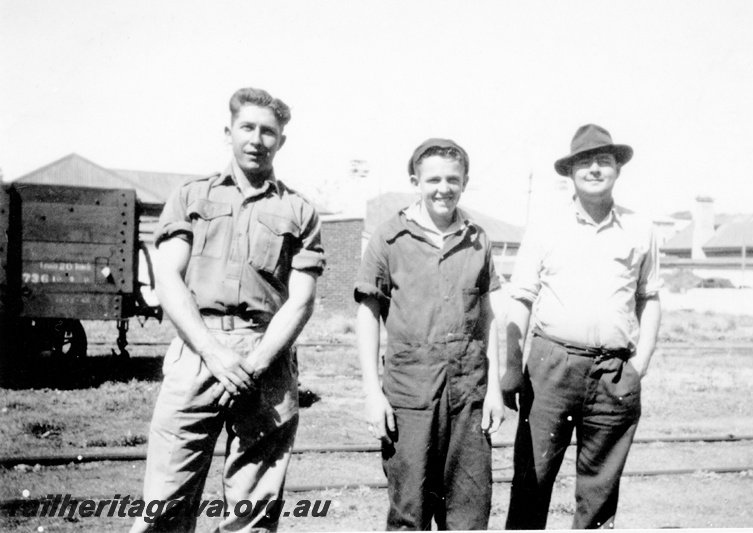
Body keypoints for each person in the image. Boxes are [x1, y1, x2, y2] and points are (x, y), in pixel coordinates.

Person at [131, 88, 325, 532]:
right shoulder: (191, 197)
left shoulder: (299, 210)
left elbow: (302, 299)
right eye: (248, 128)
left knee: (252, 511)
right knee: (165, 501)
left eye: (269, 132)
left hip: (267, 356)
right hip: (197, 350)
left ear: (282, 141)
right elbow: (169, 279)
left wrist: (255, 364)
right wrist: (213, 353)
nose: (257, 139)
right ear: (229, 132)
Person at [503, 124, 662, 529]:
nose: (595, 169)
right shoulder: (545, 225)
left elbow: (650, 297)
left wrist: (638, 365)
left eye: (604, 161)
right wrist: (511, 366)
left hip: (614, 371)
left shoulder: (641, 228)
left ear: (618, 170)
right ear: (571, 173)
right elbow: (521, 297)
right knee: (531, 482)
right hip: (550, 368)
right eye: (585, 162)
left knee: (599, 492)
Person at [355, 138, 505, 530]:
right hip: (410, 396)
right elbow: (368, 316)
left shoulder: (479, 240)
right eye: (433, 179)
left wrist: (494, 390)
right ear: (415, 181)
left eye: (453, 179)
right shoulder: (389, 238)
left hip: (469, 396)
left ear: (465, 182)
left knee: (469, 513)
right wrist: (372, 394)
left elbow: (488, 317)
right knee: (410, 512)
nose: (444, 188)